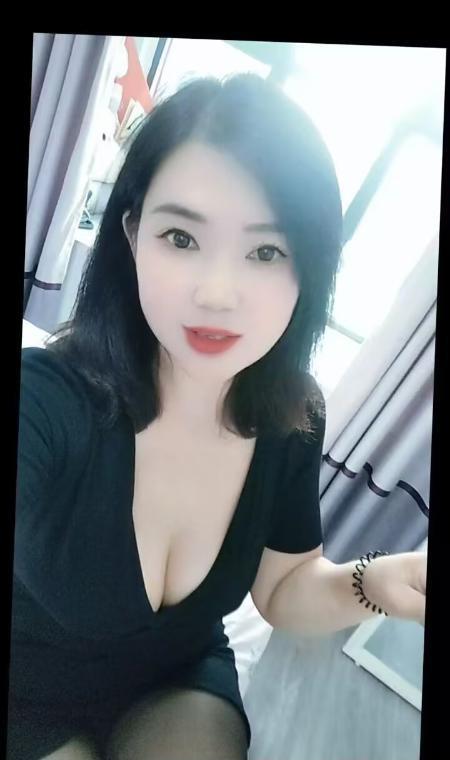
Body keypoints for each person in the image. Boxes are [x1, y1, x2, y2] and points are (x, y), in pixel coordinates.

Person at [9, 73, 427, 760]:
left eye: (266, 251)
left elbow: (285, 587)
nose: (218, 293)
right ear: (133, 236)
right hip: (27, 683)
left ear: (309, 268)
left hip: (174, 677)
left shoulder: (292, 415)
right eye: (181, 238)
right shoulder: (48, 400)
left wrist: (375, 582)